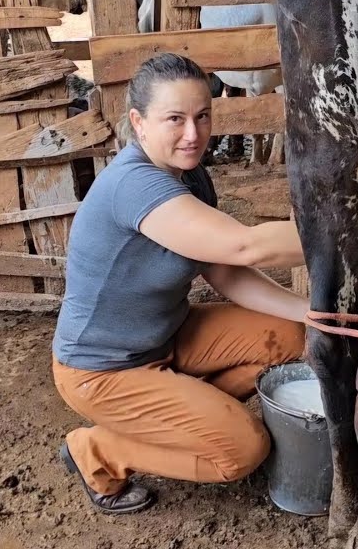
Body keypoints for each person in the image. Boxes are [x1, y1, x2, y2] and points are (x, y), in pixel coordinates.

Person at [51, 53, 308, 514]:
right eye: (175, 119)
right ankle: (99, 451)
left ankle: (186, 412)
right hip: (103, 370)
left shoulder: (190, 174)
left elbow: (224, 270)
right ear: (139, 122)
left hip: (167, 337)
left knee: (292, 336)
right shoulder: (135, 184)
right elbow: (245, 248)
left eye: (202, 116)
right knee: (242, 451)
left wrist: (307, 311)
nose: (194, 134)